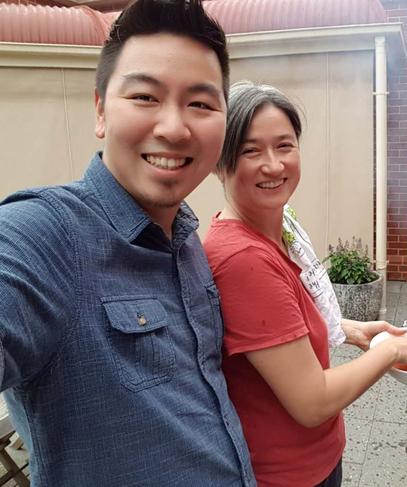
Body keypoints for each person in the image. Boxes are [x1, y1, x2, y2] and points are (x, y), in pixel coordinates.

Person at [0, 1, 255, 485]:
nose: (175, 128)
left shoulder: (185, 239)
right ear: (100, 110)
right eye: (144, 96)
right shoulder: (45, 235)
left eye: (201, 104)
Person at [203, 81, 407, 487]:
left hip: (314, 460)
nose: (274, 165)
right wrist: (393, 353)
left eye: (284, 145)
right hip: (287, 475)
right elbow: (312, 402)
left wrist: (351, 330)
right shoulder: (243, 258)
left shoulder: (277, 231)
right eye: (250, 150)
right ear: (220, 162)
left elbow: (282, 323)